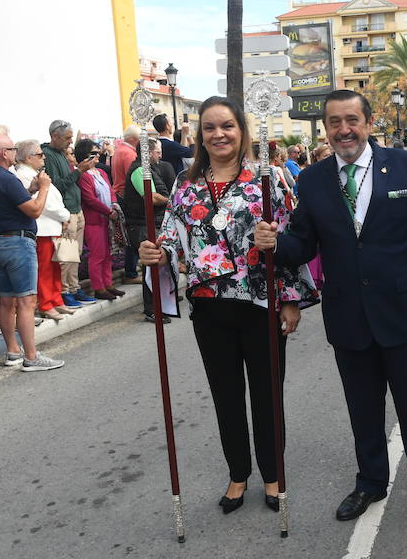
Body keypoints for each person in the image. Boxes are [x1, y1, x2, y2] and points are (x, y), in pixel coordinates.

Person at [254, 89, 407, 524]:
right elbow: (303, 242)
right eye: (334, 122)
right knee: (362, 407)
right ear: (326, 128)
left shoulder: (406, 166)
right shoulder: (312, 179)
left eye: (352, 120)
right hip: (347, 314)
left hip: (403, 309)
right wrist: (274, 243)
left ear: (368, 122)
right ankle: (371, 482)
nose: (344, 130)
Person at [140, 95, 317, 515]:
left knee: (267, 395)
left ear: (242, 131)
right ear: (199, 135)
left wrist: (290, 299)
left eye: (227, 126)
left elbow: (287, 238)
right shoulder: (186, 183)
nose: (219, 134)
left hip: (262, 305)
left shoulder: (268, 179)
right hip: (210, 307)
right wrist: (156, 253)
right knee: (226, 395)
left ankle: (272, 475)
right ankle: (238, 473)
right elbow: (170, 236)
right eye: (209, 128)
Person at [0, 134, 64, 371]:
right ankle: (32, 357)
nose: (16, 152)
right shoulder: (7, 178)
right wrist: (43, 188)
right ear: (4, 153)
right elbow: (34, 210)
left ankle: (13, 351)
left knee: (7, 301)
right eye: (13, 148)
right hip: (18, 243)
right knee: (26, 301)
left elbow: (9, 203)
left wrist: (31, 188)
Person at [13, 140, 73, 321]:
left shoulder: (36, 172)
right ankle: (46, 303)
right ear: (28, 157)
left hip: (52, 226)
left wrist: (63, 217)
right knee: (45, 269)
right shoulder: (24, 175)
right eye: (39, 155)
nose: (43, 157)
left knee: (55, 267)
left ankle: (56, 299)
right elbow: (44, 203)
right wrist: (64, 215)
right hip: (43, 228)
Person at [42, 120, 97, 308]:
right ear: (54, 136)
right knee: (66, 255)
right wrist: (79, 171)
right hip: (66, 212)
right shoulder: (48, 156)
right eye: (67, 138)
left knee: (75, 253)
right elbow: (56, 186)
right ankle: (65, 291)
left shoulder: (60, 154)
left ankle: (74, 288)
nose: (70, 142)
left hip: (75, 209)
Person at [124, 137, 175, 322]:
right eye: (157, 152)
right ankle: (152, 309)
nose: (160, 155)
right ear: (147, 153)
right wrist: (170, 200)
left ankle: (162, 304)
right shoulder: (139, 169)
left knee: (157, 265)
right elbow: (151, 198)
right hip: (142, 225)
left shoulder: (151, 169)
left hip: (150, 223)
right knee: (151, 266)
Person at [75, 139, 123, 301]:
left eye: (97, 153)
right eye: (93, 153)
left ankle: (108, 284)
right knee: (97, 255)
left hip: (108, 219)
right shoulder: (83, 176)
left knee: (108, 254)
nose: (97, 156)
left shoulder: (101, 173)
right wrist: (108, 211)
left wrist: (114, 206)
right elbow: (90, 199)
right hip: (94, 220)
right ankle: (98, 287)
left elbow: (111, 191)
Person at [111, 126, 144, 285]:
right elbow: (134, 177)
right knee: (132, 235)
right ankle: (131, 272)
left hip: (119, 195)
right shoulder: (129, 153)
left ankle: (131, 270)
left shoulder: (118, 150)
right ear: (133, 139)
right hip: (127, 199)